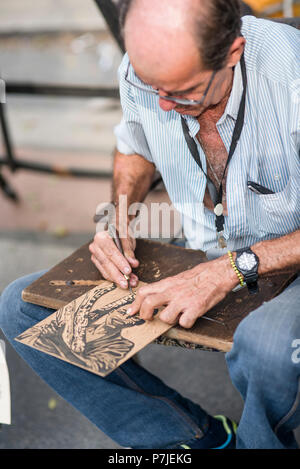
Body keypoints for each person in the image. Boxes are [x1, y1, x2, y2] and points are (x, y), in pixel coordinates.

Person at [0, 0, 299, 449]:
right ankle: (193, 440)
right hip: (209, 242)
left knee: (268, 347)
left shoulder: (292, 74)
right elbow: (135, 143)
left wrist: (228, 270)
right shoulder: (142, 69)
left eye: (182, 92)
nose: (163, 103)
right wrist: (117, 217)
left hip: (288, 258)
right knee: (22, 308)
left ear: (233, 52)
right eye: (149, 84)